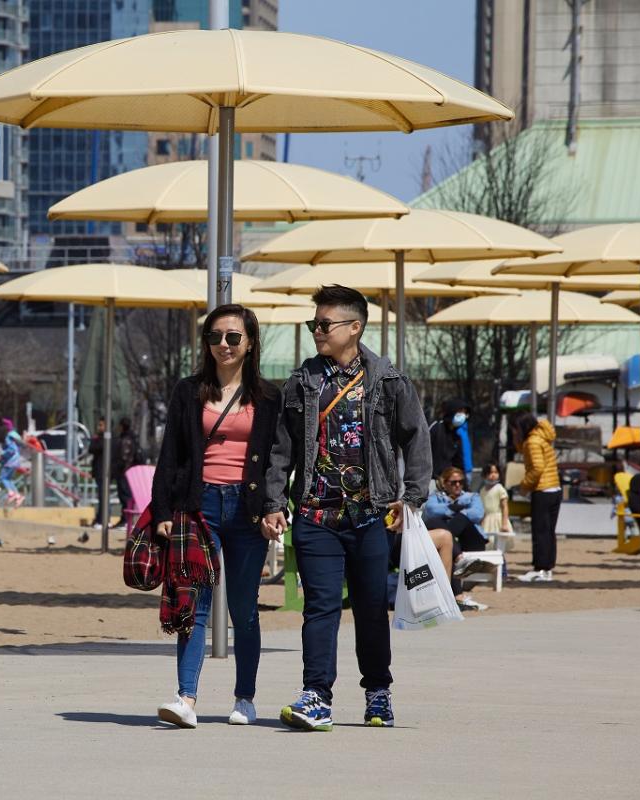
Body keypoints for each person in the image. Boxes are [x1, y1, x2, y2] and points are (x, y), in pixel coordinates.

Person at [263, 285, 432, 732]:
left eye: (325, 324)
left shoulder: (388, 381)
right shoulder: (302, 382)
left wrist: (412, 497)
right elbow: (281, 450)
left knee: (372, 607)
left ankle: (378, 692)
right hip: (316, 515)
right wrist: (275, 502)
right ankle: (316, 696)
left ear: (354, 328)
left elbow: (416, 437)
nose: (317, 331)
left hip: (372, 515)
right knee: (319, 607)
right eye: (313, 324)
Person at [151, 303, 280, 729]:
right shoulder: (188, 391)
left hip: (247, 509)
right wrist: (164, 511)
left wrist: (274, 507)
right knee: (194, 604)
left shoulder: (268, 396)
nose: (222, 344)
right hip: (198, 504)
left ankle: (245, 698)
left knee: (244, 609)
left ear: (250, 343)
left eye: (232, 337)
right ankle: (185, 697)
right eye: (214, 337)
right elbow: (171, 454)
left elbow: (281, 459)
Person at [422, 466, 492, 612]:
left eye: (460, 481)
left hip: (472, 540)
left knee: (461, 519)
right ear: (445, 483)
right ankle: (458, 560)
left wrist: (453, 511)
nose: (458, 485)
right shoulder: (436, 497)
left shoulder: (472, 496)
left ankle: (458, 556)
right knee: (435, 523)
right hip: (454, 545)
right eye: (453, 482)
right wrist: (456, 508)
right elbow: (431, 510)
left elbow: (477, 514)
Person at [514, 413, 559, 583]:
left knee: (540, 531)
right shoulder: (541, 437)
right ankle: (547, 568)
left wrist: (524, 486)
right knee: (549, 532)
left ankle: (540, 568)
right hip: (554, 488)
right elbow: (522, 450)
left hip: (542, 490)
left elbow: (537, 468)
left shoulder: (532, 442)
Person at [429, 398, 473, 478]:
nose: (462, 415)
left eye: (464, 413)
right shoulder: (436, 428)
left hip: (448, 481)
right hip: (431, 479)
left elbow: (458, 461)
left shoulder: (457, 435)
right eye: (460, 411)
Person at [112, 417, 142, 527]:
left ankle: (126, 520)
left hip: (125, 472)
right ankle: (126, 519)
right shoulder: (132, 438)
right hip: (130, 473)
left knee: (125, 496)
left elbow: (124, 458)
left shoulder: (125, 439)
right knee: (127, 496)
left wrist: (117, 468)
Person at [0, 420, 26, 507]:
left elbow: (11, 450)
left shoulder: (7, 437)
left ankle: (11, 493)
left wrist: (1, 455)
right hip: (15, 460)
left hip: (10, 461)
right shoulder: (12, 435)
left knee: (2, 478)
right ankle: (18, 495)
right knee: (8, 479)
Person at [479, 463, 511, 537]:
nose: (493, 475)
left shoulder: (499, 488)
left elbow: (504, 507)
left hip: (498, 520)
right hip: (486, 521)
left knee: (499, 542)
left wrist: (504, 524)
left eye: (496, 472)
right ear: (484, 475)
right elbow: (482, 509)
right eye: (490, 472)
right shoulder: (482, 491)